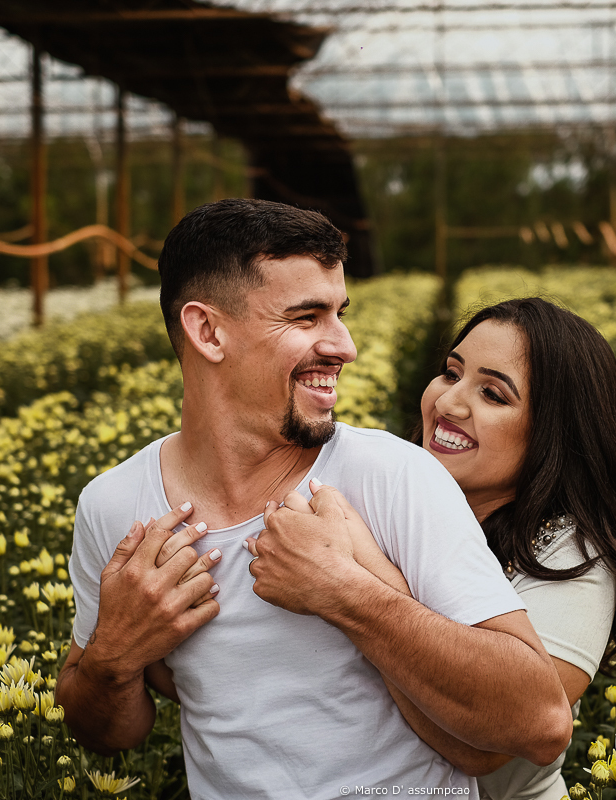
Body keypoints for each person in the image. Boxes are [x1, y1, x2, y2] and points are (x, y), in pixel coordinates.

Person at [54, 199, 573, 799]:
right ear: (208, 331)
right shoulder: (113, 506)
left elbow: (541, 722)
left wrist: (346, 591)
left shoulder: (393, 474)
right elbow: (107, 733)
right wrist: (111, 661)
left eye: (340, 313)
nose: (344, 346)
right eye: (307, 318)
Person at [252, 298, 616, 799]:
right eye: (450, 373)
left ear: (554, 433)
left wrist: (354, 577)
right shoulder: (374, 488)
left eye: (492, 394)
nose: (448, 403)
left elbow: (479, 749)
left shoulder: (572, 556)